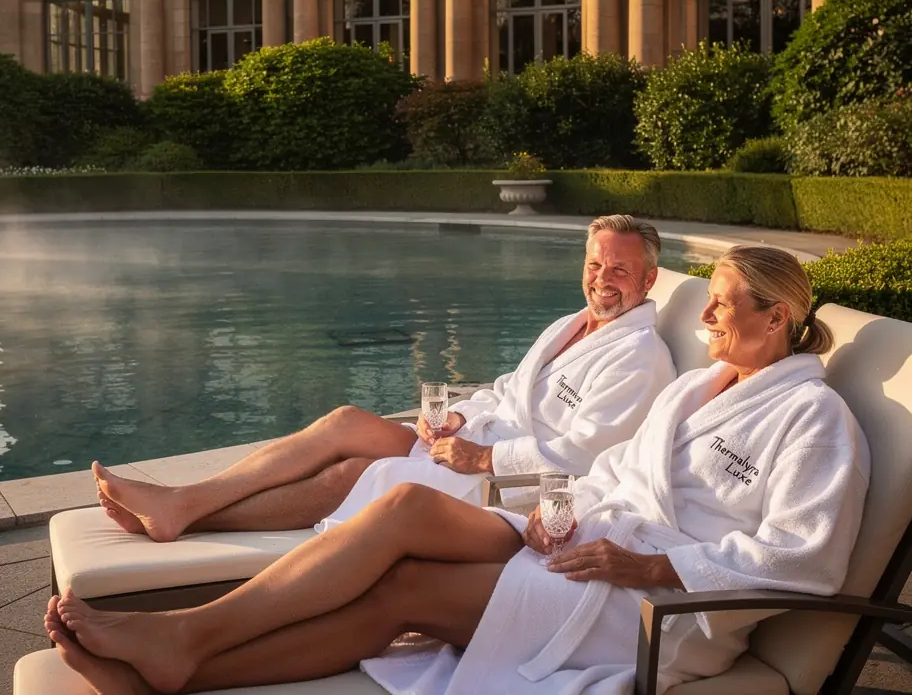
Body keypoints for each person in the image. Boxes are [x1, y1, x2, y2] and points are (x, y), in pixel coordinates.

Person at [47, 244, 869, 694]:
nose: (711, 314)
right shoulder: (700, 385)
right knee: (403, 506)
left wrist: (647, 564)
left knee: (401, 595)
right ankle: (187, 632)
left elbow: (803, 562)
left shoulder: (815, 420)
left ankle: (183, 654)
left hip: (661, 606)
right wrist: (570, 515)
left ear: (779, 316)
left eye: (724, 301)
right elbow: (613, 467)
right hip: (592, 540)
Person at [92, 214, 675, 542]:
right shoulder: (570, 325)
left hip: (509, 485)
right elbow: (507, 389)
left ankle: (187, 515)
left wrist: (481, 459)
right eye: (595, 264)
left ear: (648, 281)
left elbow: (584, 455)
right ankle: (181, 500)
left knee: (348, 474)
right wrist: (458, 419)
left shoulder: (640, 358)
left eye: (620, 269)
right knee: (345, 421)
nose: (603, 279)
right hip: (475, 443)